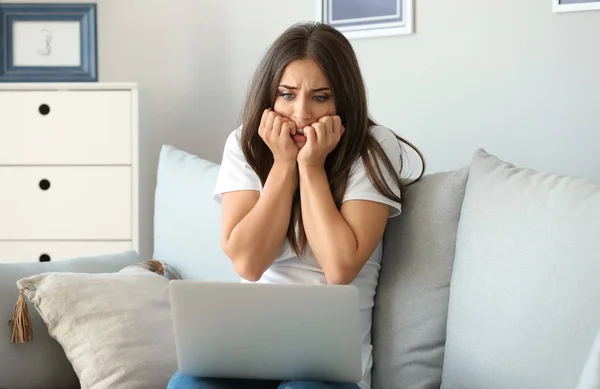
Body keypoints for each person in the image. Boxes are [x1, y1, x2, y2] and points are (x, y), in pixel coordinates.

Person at [167, 21, 424, 389]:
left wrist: (310, 165)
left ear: (343, 101)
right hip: (248, 349)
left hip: (327, 367)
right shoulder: (244, 143)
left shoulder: (372, 146)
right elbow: (249, 263)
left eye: (320, 97)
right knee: (187, 385)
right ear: (269, 97)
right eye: (287, 95)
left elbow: (339, 268)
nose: (301, 114)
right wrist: (284, 164)